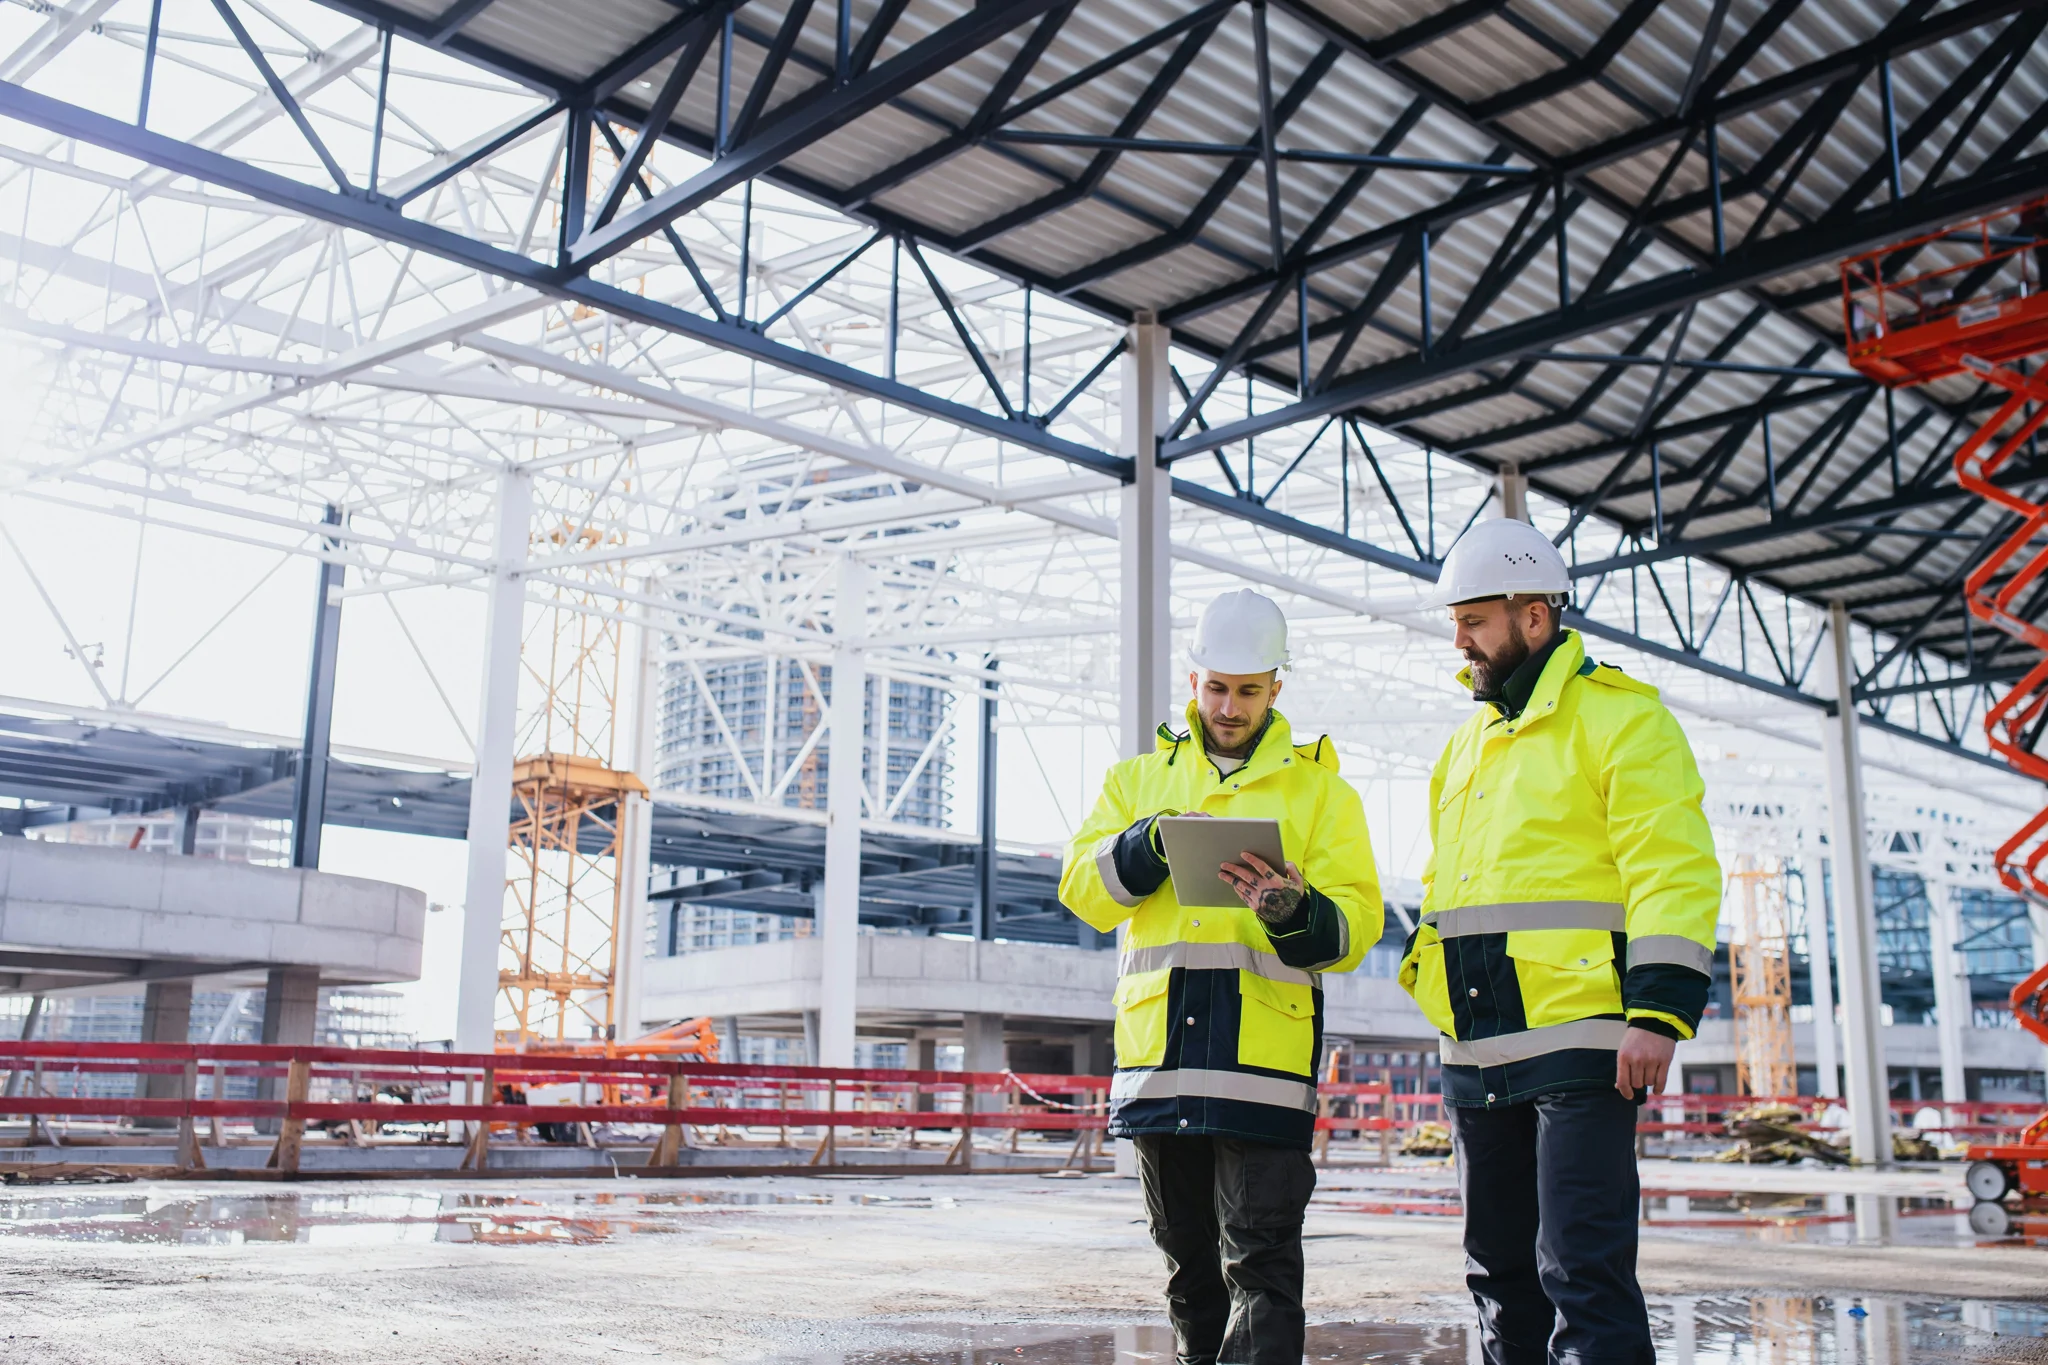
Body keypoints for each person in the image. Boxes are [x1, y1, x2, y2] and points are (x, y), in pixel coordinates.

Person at [1400, 518, 1720, 1365]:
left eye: (1474, 621)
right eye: (1457, 622)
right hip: (1477, 1048)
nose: (1459, 640)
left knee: (1582, 1271)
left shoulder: (1622, 718)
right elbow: (1448, 887)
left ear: (1534, 616)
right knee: (1499, 1276)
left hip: (1583, 1044)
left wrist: (1658, 1010)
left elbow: (1671, 868)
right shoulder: (1465, 745)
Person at [1060, 588, 1380, 1365]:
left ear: (1276, 688)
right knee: (1188, 1267)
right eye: (1216, 688)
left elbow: (1356, 926)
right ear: (1193, 680)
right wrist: (1148, 845)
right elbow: (1081, 889)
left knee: (1261, 1262)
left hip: (1260, 1067)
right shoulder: (1136, 782)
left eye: (1247, 691)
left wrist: (1295, 911)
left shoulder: (1322, 794)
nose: (1229, 707)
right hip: (1162, 1062)